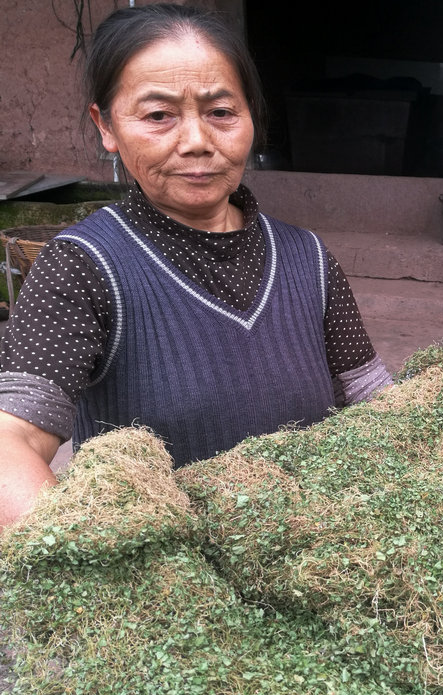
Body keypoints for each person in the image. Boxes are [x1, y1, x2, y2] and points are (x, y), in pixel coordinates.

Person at [0, 3, 392, 530]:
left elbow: (381, 408)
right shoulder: (83, 265)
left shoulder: (309, 260)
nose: (196, 142)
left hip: (313, 565)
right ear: (107, 126)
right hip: (170, 589)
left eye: (221, 112)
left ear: (252, 115)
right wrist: (105, 570)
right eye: (158, 115)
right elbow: (12, 438)